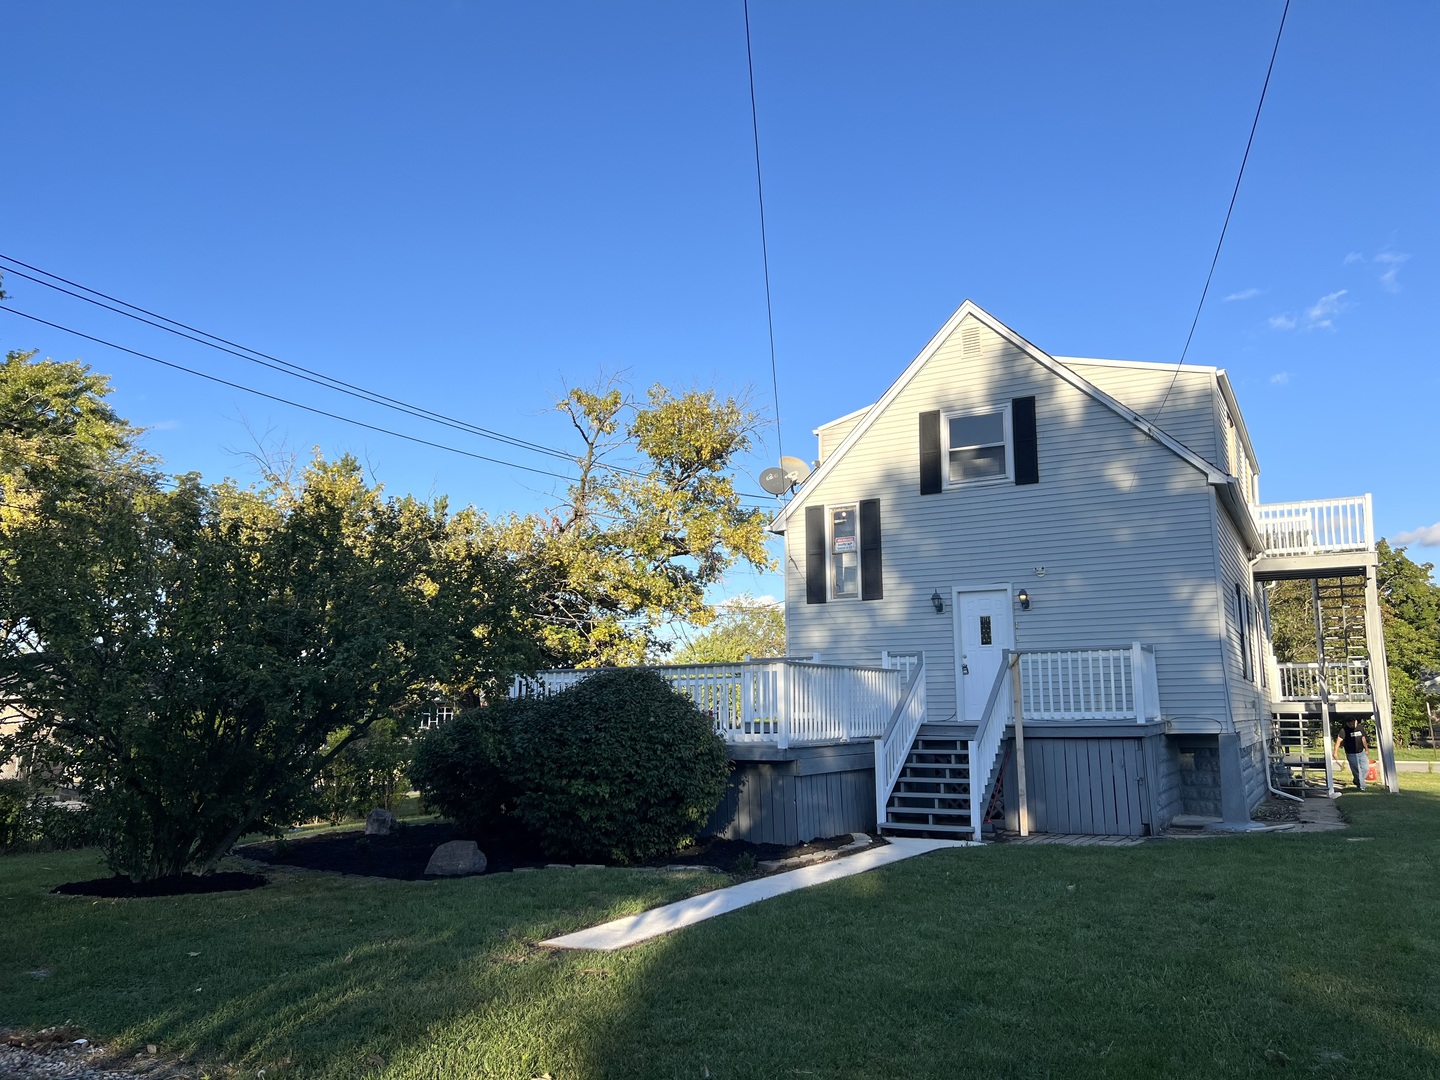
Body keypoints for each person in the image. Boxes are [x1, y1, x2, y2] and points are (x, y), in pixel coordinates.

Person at [1333, 718, 1371, 791]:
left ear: (1356, 721)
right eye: (1349, 724)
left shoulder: (1360, 728)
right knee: (1357, 771)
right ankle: (1362, 787)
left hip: (1361, 752)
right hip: (1351, 754)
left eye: (1352, 723)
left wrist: (1366, 749)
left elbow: (1363, 739)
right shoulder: (1344, 730)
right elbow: (1338, 741)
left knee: (1365, 769)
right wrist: (1335, 752)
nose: (1351, 725)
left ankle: (1357, 781)